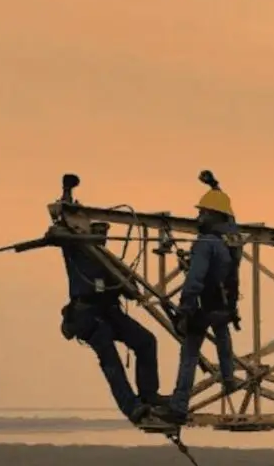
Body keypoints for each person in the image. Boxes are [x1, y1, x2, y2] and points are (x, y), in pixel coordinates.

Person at [54, 220, 172, 430]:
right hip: (89, 316)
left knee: (146, 341)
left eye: (103, 233)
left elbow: (130, 290)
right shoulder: (77, 253)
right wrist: (67, 207)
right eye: (97, 232)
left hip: (110, 312)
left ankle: (148, 395)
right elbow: (59, 232)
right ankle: (132, 407)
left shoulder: (108, 261)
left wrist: (126, 283)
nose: (101, 237)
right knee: (111, 360)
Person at [160, 173, 243, 425]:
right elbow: (231, 217)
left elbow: (195, 279)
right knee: (223, 340)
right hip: (225, 305)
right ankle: (229, 380)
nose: (199, 218)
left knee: (189, 354)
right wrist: (215, 186)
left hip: (204, 306)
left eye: (203, 213)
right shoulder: (233, 239)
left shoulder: (206, 243)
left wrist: (184, 310)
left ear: (213, 216)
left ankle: (179, 405)